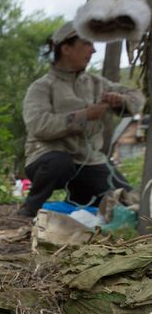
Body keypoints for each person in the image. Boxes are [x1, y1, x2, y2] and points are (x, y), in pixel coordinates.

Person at [19, 21, 144, 218]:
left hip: (88, 162)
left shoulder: (96, 83)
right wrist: (84, 115)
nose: (93, 50)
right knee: (59, 163)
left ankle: (77, 199)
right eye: (87, 44)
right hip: (47, 157)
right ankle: (31, 207)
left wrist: (121, 101)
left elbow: (137, 98)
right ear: (66, 48)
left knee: (127, 199)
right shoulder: (42, 87)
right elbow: (38, 125)